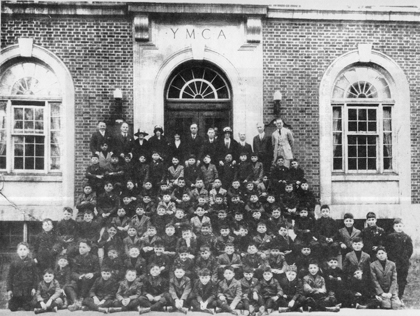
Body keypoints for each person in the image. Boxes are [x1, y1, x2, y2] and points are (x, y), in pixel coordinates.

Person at [67, 239, 100, 311]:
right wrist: (79, 276)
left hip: (90, 282)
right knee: (68, 287)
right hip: (79, 280)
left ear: (89, 249)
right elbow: (72, 273)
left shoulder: (94, 258)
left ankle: (81, 300)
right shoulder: (76, 258)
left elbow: (98, 272)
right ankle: (76, 302)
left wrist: (92, 274)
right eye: (80, 247)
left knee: (86, 279)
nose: (81, 249)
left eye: (83, 247)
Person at [385, 218, 413, 301]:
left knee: (402, 279)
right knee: (391, 279)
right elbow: (388, 249)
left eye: (400, 226)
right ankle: (391, 295)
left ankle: (400, 296)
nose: (398, 227)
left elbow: (410, 250)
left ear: (403, 226)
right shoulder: (390, 237)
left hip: (403, 262)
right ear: (393, 227)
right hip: (393, 262)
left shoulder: (406, 237)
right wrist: (392, 259)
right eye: (396, 226)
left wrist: (405, 258)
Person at [7, 242, 38, 312]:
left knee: (27, 308)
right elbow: (9, 277)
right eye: (20, 249)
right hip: (17, 290)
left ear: (28, 251)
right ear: (17, 251)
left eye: (24, 249)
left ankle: (24, 303)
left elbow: (35, 277)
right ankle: (18, 302)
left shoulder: (32, 262)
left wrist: (34, 288)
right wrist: (9, 289)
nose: (22, 252)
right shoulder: (14, 263)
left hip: (27, 290)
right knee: (12, 308)